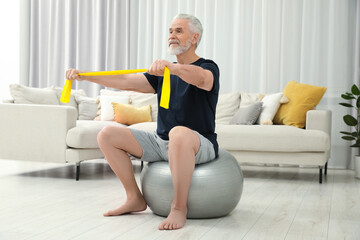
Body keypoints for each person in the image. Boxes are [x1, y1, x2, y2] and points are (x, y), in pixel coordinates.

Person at [66, 13, 220, 230]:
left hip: (198, 143)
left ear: (194, 38)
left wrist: (174, 68)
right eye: (170, 31)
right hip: (161, 143)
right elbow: (126, 81)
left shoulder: (208, 67)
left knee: (178, 133)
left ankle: (178, 207)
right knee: (107, 134)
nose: (171, 35)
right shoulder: (163, 73)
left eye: (178, 31)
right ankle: (134, 198)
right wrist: (87, 76)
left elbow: (202, 79)